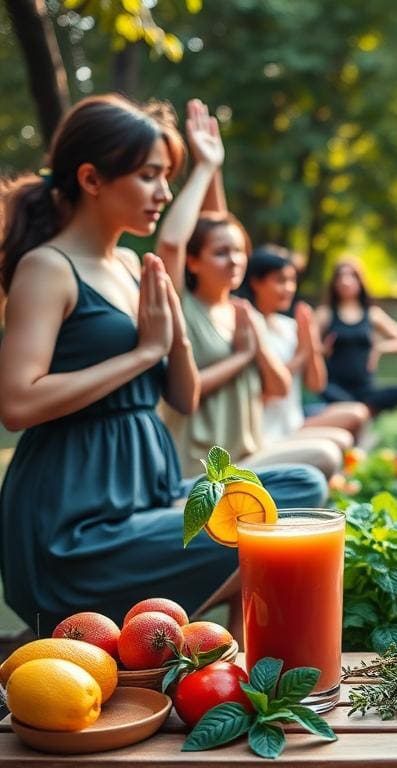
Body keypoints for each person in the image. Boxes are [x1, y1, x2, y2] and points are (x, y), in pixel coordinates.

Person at [0, 95, 325, 636]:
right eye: (150, 176)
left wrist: (173, 341)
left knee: (300, 487)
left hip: (150, 494)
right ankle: (200, 649)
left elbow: (185, 396)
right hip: (76, 530)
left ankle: (200, 643)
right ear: (91, 179)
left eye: (168, 176)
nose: (164, 193)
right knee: (263, 524)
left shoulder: (131, 266)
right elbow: (16, 402)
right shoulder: (48, 269)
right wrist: (143, 352)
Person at [157, 102, 342, 478]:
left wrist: (261, 347)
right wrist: (205, 167)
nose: (235, 260)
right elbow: (174, 243)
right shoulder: (182, 306)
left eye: (240, 252)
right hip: (199, 470)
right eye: (221, 254)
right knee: (322, 458)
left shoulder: (242, 313)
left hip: (248, 457)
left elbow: (277, 387)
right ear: (193, 262)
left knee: (331, 447)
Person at [243, 245, 369, 447]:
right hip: (266, 433)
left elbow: (316, 384)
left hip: (294, 423)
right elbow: (267, 392)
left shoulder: (289, 326)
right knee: (338, 443)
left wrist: (310, 340)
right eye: (280, 281)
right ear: (256, 282)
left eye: (292, 280)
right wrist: (301, 354)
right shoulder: (248, 324)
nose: (289, 288)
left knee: (357, 413)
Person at [316, 259, 397, 413]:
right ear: (334, 282)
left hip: (365, 389)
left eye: (352, 276)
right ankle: (360, 411)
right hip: (335, 388)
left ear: (360, 281)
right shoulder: (325, 314)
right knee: (328, 391)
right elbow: (306, 347)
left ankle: (359, 411)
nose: (346, 281)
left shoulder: (372, 314)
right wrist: (322, 350)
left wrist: (380, 348)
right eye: (340, 276)